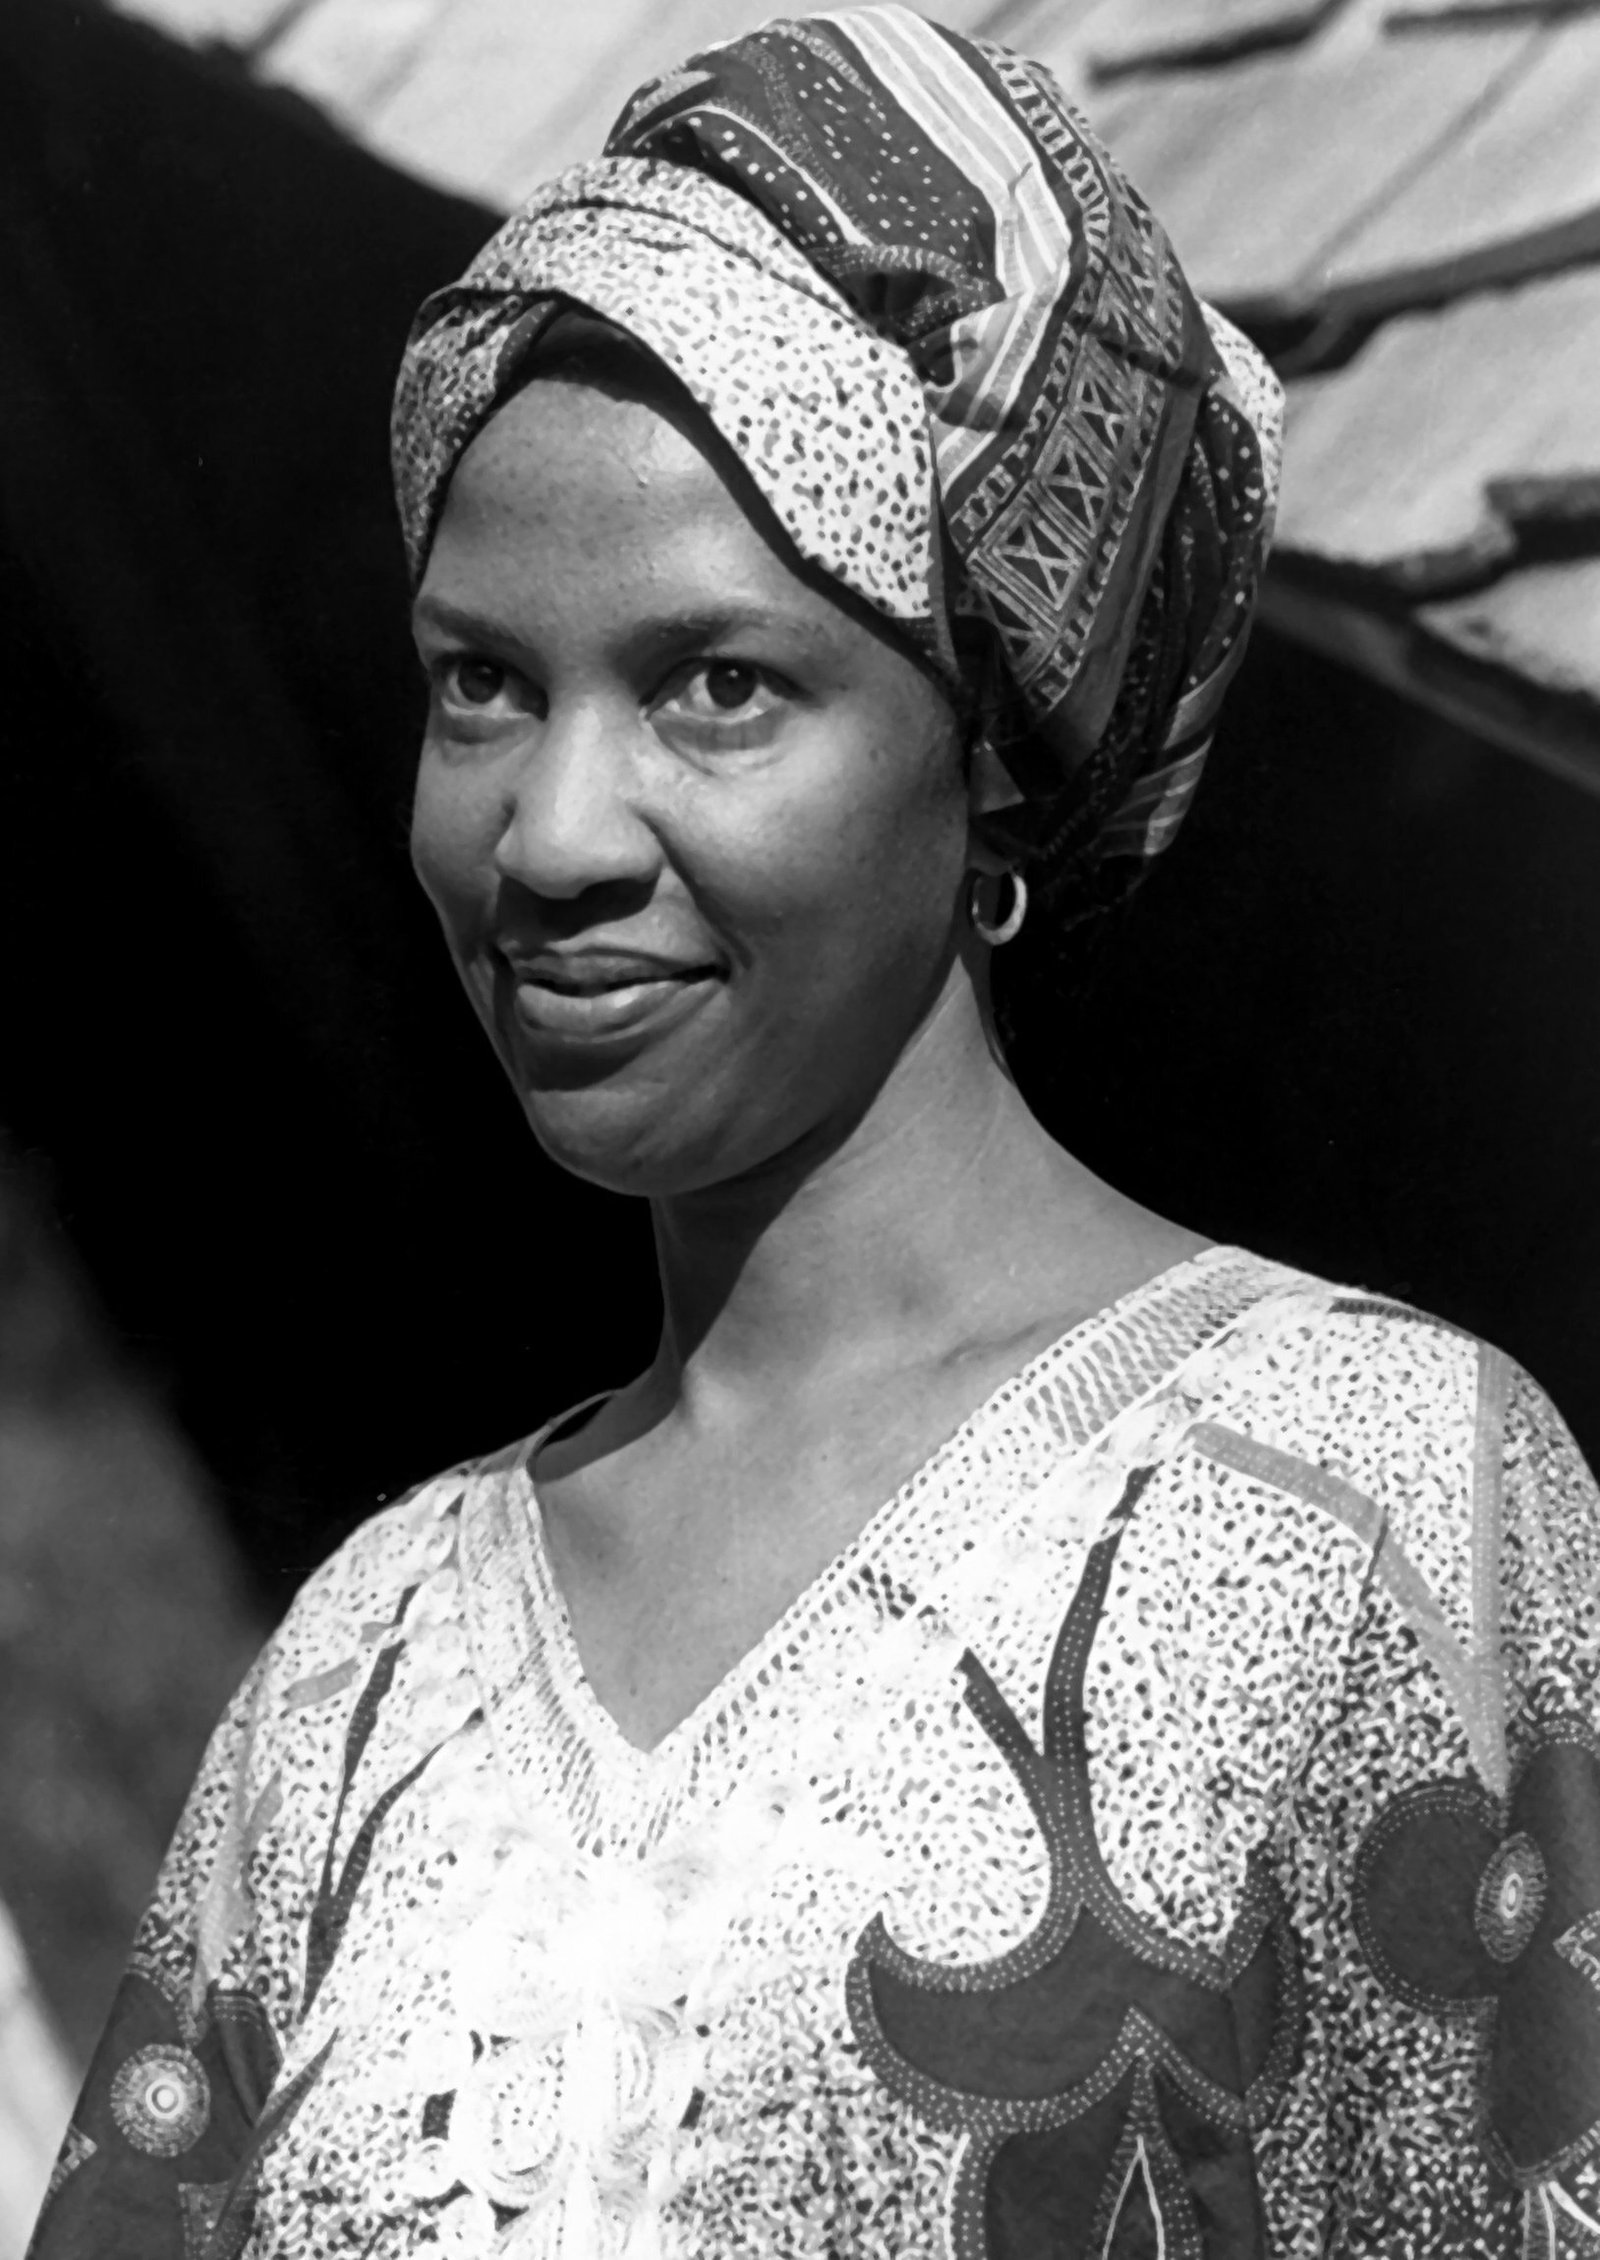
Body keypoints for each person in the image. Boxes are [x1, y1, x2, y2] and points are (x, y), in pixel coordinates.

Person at [29, 9, 1600, 2257]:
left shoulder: (1360, 1508)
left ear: (979, 758)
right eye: (480, 679)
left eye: (716, 684)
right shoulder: (368, 1677)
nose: (551, 829)